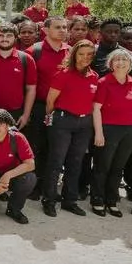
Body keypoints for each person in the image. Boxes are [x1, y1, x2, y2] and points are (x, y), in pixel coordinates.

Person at [41, 39, 98, 217]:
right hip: (63, 122)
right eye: (81, 54)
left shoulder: (94, 76)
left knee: (76, 162)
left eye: (89, 54)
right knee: (56, 162)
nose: (85, 57)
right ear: (74, 55)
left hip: (84, 124)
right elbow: (50, 101)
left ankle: (69, 200)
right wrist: (52, 120)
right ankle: (49, 200)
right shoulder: (63, 74)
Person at [90, 49, 132, 217]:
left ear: (130, 64)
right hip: (108, 129)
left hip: (129, 130)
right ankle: (97, 199)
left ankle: (112, 200)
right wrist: (99, 133)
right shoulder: (104, 82)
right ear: (111, 64)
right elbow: (96, 109)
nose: (121, 62)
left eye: (124, 59)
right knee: (102, 166)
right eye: (117, 59)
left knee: (118, 167)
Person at [25, 16, 71, 186]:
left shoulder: (71, 52)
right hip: (39, 107)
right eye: (58, 27)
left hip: (63, 110)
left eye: (65, 27)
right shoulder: (33, 51)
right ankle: (34, 184)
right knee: (37, 146)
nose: (62, 30)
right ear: (45, 30)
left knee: (56, 148)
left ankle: (49, 185)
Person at [0, 23, 36, 130]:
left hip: (16, 114)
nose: (4, 39)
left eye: (9, 36)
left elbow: (31, 88)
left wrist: (26, 115)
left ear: (16, 37)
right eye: (1, 35)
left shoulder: (26, 59)